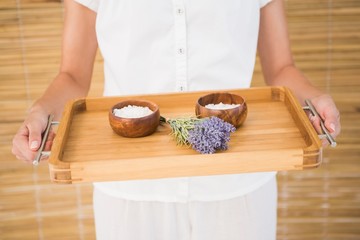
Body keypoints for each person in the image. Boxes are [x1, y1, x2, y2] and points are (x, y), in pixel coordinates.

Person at [12, 0, 341, 239]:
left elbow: (281, 68)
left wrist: (314, 100)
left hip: (237, 187)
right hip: (131, 192)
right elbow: (72, 75)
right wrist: (40, 111)